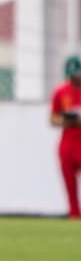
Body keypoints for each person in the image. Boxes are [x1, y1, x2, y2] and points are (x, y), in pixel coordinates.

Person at [49, 55, 81, 219]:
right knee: (70, 186)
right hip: (68, 143)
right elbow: (53, 118)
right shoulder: (61, 92)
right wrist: (67, 119)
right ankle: (74, 215)